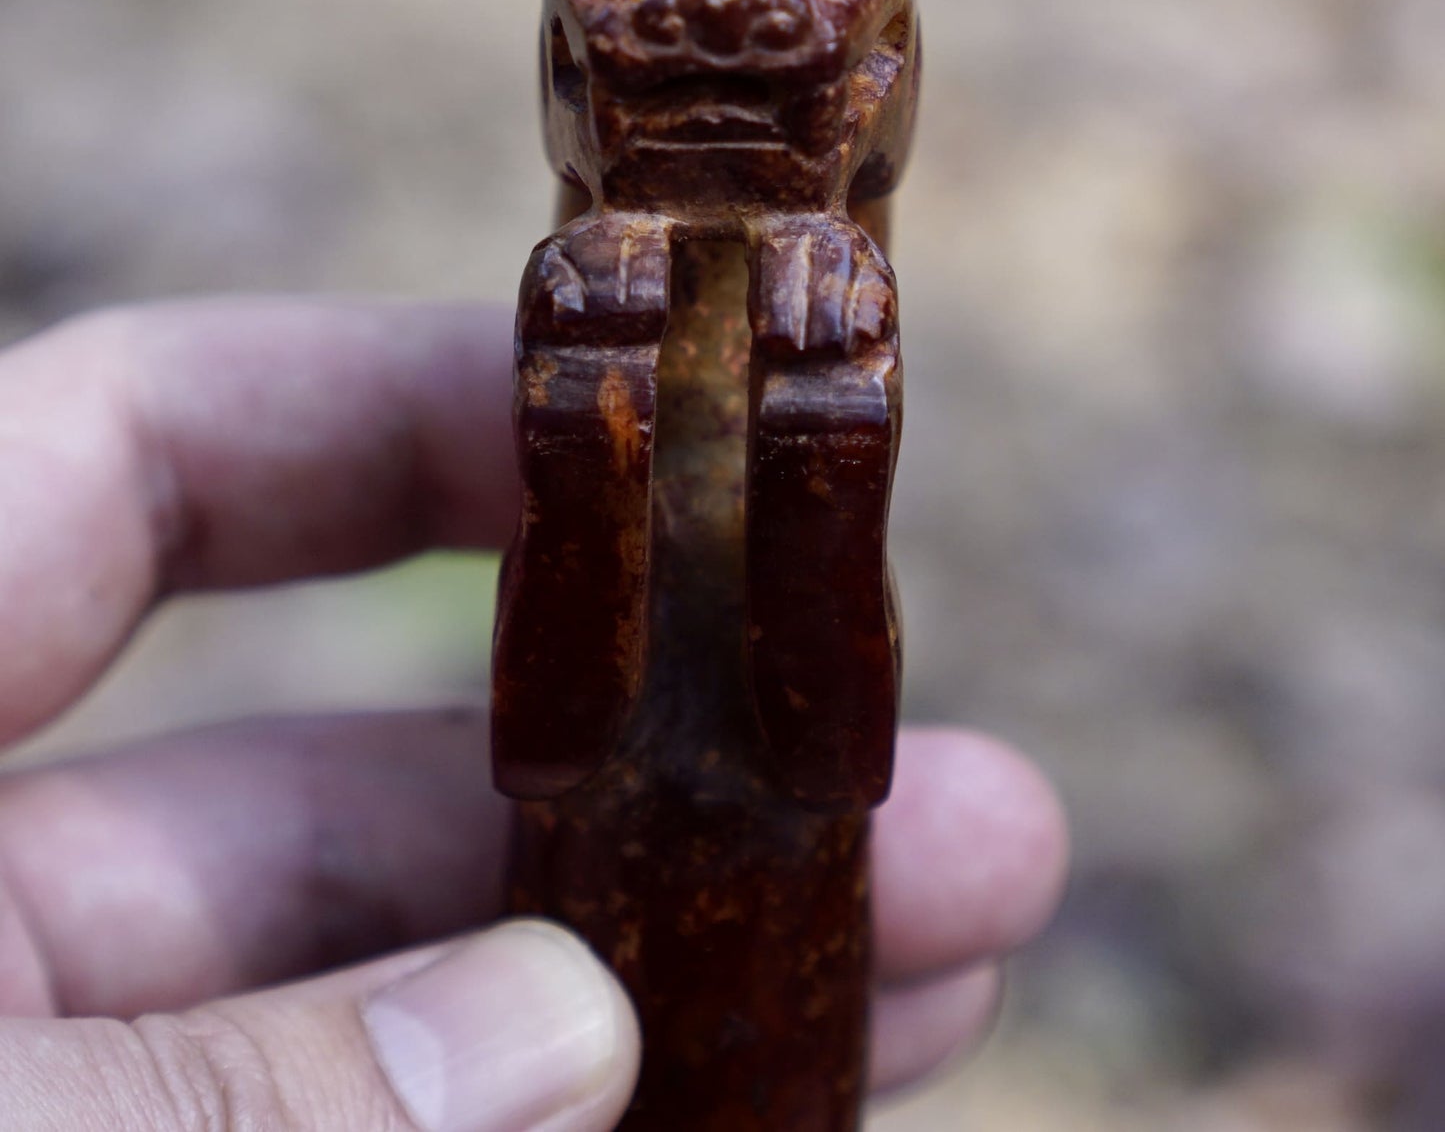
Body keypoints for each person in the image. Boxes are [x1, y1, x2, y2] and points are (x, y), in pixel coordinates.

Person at [0, 298, 1069, 1132]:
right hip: (595, 871)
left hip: (771, 951)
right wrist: (591, 423)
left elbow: (830, 750)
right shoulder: (589, 338)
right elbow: (546, 743)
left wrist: (822, 414)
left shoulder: (821, 320)